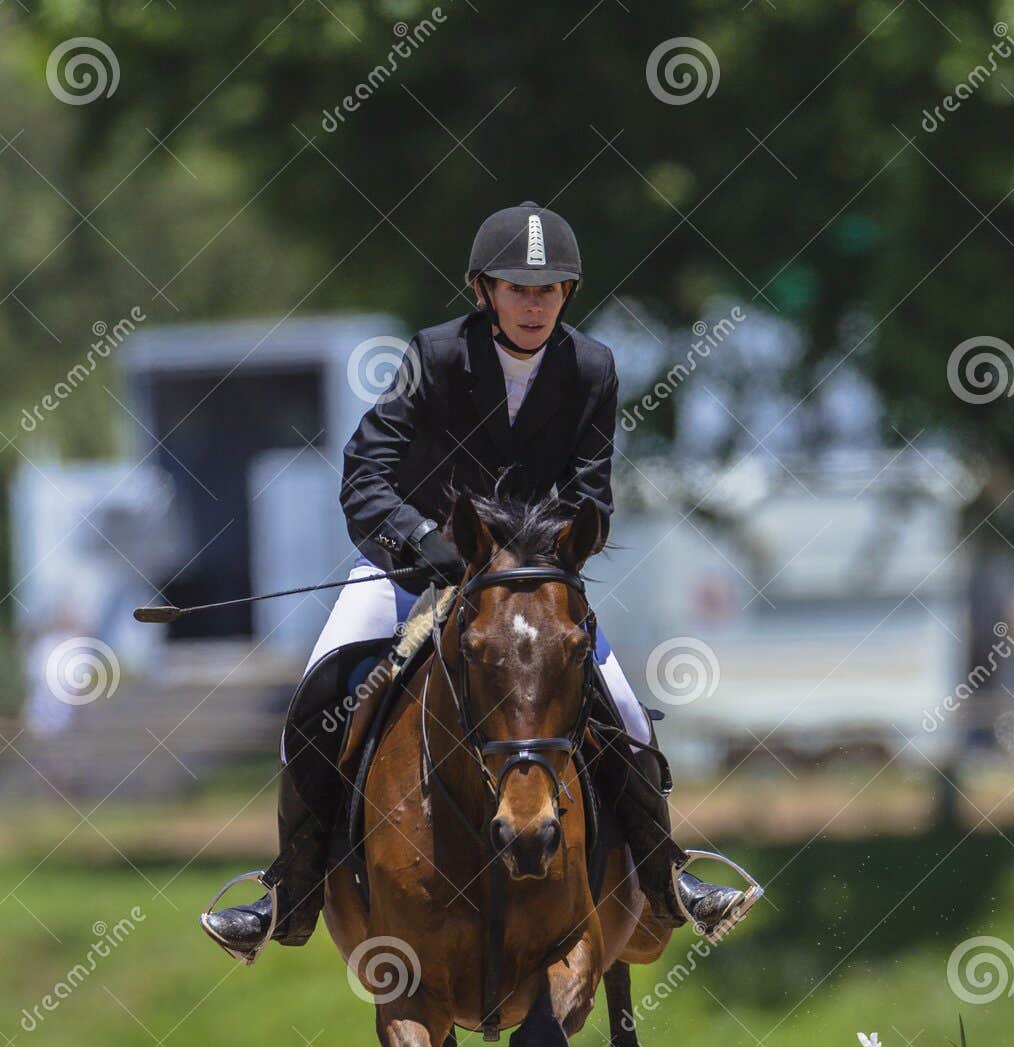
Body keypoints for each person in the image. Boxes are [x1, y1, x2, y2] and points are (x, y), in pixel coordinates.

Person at [201, 201, 759, 962]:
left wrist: (536, 558)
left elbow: (590, 494)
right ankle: (287, 891)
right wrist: (423, 541)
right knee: (319, 692)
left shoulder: (591, 368)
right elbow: (366, 476)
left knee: (627, 712)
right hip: (412, 569)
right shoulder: (432, 357)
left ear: (567, 294)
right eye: (516, 288)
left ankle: (669, 881)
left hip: (526, 584)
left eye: (549, 289)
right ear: (483, 291)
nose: (534, 304)